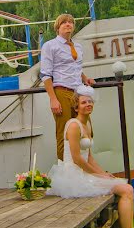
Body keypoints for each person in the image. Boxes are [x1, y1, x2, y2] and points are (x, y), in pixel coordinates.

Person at [46, 86, 134, 228]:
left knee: (125, 187)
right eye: (83, 102)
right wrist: (98, 176)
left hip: (85, 173)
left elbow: (90, 157)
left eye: (90, 101)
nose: (88, 104)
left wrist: (104, 174)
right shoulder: (73, 125)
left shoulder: (87, 124)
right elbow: (78, 159)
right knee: (127, 190)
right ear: (76, 107)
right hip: (74, 176)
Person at [40, 14, 95, 161]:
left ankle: (84, 164)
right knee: (64, 133)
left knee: (84, 129)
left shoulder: (77, 46)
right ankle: (65, 169)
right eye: (64, 22)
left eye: (71, 22)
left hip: (78, 93)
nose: (68, 24)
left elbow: (76, 67)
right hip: (61, 91)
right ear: (58, 27)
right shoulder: (50, 46)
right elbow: (45, 74)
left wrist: (85, 79)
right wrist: (53, 99)